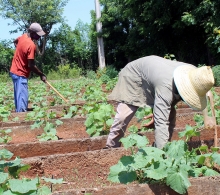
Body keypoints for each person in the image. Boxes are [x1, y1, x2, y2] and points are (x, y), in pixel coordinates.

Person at [104, 55, 215, 149]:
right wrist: (162, 158)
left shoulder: (196, 74)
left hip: (156, 76)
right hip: (133, 75)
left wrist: (207, 117)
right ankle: (111, 147)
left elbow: (207, 93)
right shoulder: (165, 86)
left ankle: (166, 146)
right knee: (123, 116)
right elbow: (161, 122)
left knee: (170, 114)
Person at [10, 23, 47, 112]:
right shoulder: (31, 45)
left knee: (19, 97)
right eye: (38, 34)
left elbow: (15, 41)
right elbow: (31, 65)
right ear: (32, 32)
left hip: (14, 71)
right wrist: (41, 74)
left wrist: (19, 50)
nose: (39, 37)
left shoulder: (23, 37)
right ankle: (21, 119)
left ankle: (19, 114)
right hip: (20, 73)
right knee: (22, 99)